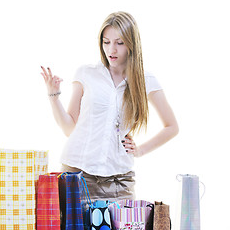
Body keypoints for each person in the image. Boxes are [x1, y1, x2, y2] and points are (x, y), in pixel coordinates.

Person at [40, 11, 178, 202]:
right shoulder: (86, 73)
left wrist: (141, 150)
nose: (111, 49)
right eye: (106, 42)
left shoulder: (145, 80)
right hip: (78, 174)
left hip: (119, 180)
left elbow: (172, 126)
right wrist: (53, 96)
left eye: (119, 43)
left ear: (131, 44)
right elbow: (70, 128)